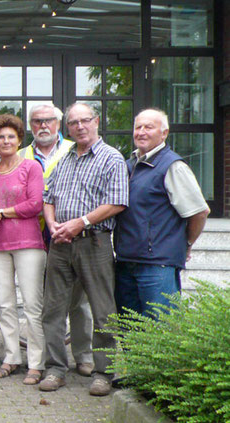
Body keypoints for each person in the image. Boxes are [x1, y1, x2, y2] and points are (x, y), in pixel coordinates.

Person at [40, 102, 129, 397]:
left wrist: (81, 222)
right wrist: (52, 225)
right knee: (53, 310)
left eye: (85, 120)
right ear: (68, 128)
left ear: (97, 121)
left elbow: (117, 202)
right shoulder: (65, 158)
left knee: (103, 311)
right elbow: (48, 196)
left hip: (94, 242)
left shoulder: (111, 158)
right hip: (61, 243)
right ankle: (55, 369)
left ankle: (103, 372)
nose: (79, 126)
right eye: (73, 122)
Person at [19, 103, 94, 378]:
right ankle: (50, 358)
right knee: (47, 302)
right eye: (37, 121)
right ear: (30, 125)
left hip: (73, 232)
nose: (42, 126)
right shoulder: (21, 154)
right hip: (35, 234)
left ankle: (83, 356)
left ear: (59, 124)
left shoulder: (73, 150)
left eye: (48, 120)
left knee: (79, 301)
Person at [114, 109, 209, 317]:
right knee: (129, 331)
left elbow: (199, 212)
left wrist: (186, 244)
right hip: (125, 262)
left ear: (164, 133)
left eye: (149, 127)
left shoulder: (172, 166)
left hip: (158, 265)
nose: (141, 132)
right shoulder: (129, 165)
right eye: (138, 127)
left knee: (161, 331)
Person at [0, 114, 46, 386]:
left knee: (32, 305)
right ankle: (11, 357)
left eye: (11, 136)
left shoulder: (31, 167)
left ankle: (36, 362)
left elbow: (35, 204)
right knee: (5, 304)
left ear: (20, 140)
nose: (6, 141)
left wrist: (2, 212)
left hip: (28, 244)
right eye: (0, 137)